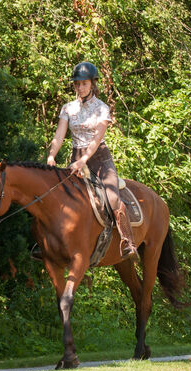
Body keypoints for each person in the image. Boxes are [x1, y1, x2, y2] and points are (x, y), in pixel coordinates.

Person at [46, 61, 138, 260]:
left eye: (84, 84)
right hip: (75, 158)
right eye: (77, 84)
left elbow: (97, 139)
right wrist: (52, 155)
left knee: (112, 196)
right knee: (56, 195)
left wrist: (84, 160)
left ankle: (127, 241)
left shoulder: (102, 109)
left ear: (92, 84)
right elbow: (59, 136)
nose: (80, 87)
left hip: (99, 159)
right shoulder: (68, 108)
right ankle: (47, 242)